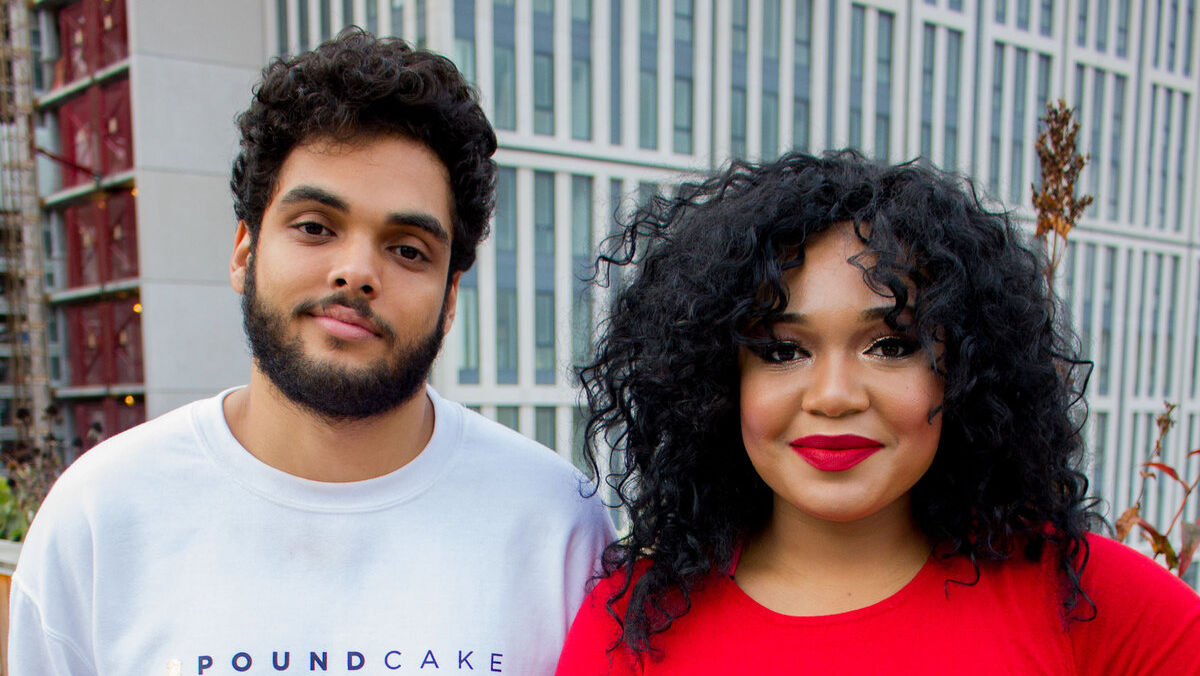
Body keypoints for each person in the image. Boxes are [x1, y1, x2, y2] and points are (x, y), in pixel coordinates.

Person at [10, 30, 613, 675]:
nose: (356, 272)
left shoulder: (556, 524)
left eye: (408, 248)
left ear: (451, 295)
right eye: (315, 228)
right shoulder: (100, 517)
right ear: (245, 251)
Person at [556, 151, 1200, 674]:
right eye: (783, 351)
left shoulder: (1092, 601)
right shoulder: (631, 627)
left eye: (891, 345)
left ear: (966, 369)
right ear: (719, 383)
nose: (834, 395)